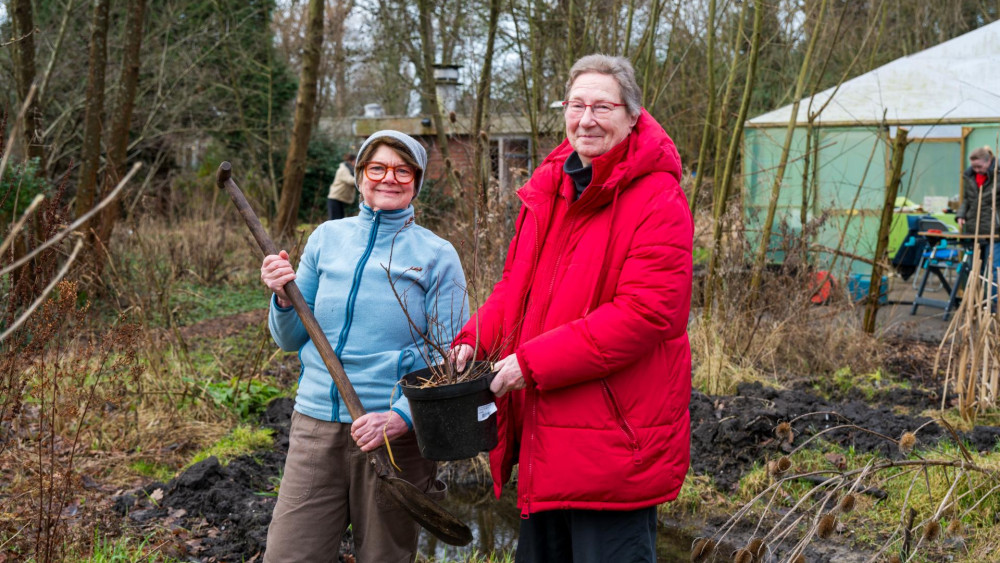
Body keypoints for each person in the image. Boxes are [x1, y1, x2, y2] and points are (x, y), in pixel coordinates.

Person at [451, 54, 693, 562]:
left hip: (613, 443)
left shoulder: (658, 197)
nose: (586, 119)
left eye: (602, 107)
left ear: (632, 115)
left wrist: (530, 363)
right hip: (546, 437)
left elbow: (645, 313)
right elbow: (516, 288)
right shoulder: (551, 187)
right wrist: (474, 339)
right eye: (576, 105)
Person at [260, 130, 468, 562]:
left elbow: (451, 361)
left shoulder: (437, 254)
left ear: (416, 181)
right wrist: (282, 299)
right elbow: (289, 338)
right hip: (315, 426)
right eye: (377, 168)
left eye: (402, 170)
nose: (389, 178)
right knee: (289, 554)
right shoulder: (325, 239)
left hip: (394, 439)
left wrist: (400, 418)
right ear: (359, 176)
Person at [956, 146, 999, 303]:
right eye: (974, 167)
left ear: (989, 161)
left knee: (994, 268)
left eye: (979, 166)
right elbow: (967, 199)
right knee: (974, 268)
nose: (976, 170)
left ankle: (994, 303)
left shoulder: (997, 176)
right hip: (974, 229)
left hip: (995, 230)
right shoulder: (970, 177)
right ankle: (974, 303)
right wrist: (961, 215)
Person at [327, 152, 357, 221]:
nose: (356, 163)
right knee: (335, 221)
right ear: (350, 161)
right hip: (335, 198)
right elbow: (350, 180)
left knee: (340, 220)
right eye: (355, 161)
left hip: (339, 199)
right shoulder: (343, 170)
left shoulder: (350, 170)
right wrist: (362, 180)